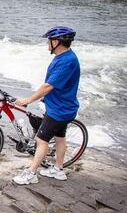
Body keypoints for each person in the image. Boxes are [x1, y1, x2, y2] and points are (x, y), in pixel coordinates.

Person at [12, 26, 80, 185]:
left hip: (59, 111)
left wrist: (27, 100)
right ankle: (58, 170)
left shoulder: (66, 61)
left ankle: (30, 174)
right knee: (60, 139)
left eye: (49, 41)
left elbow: (48, 86)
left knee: (41, 140)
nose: (47, 44)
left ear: (56, 41)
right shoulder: (64, 56)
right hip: (64, 107)